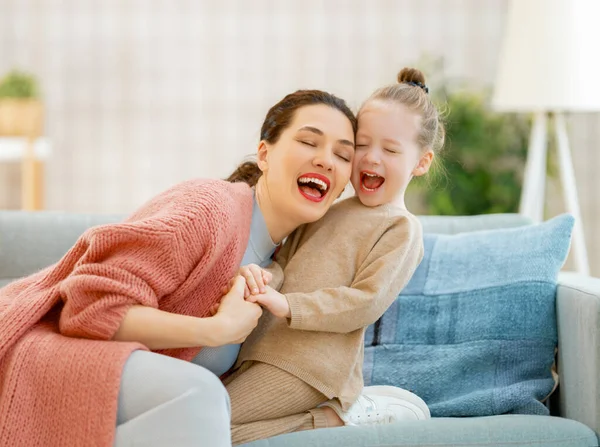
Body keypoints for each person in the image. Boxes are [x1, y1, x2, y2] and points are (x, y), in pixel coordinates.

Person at [0, 90, 357, 447]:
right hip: (35, 352)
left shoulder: (278, 265)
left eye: (343, 155)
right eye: (309, 141)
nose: (326, 161)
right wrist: (216, 329)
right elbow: (90, 310)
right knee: (199, 395)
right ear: (265, 154)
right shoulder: (209, 209)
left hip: (122, 395)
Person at [223, 67, 446, 445]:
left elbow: (365, 301)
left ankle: (334, 419)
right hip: (260, 349)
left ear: (421, 162)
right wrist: (261, 280)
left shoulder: (401, 228)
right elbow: (283, 261)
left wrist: (287, 304)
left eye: (390, 150)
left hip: (310, 366)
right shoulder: (328, 207)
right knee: (199, 418)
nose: (371, 159)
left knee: (207, 426)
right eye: (361, 145)